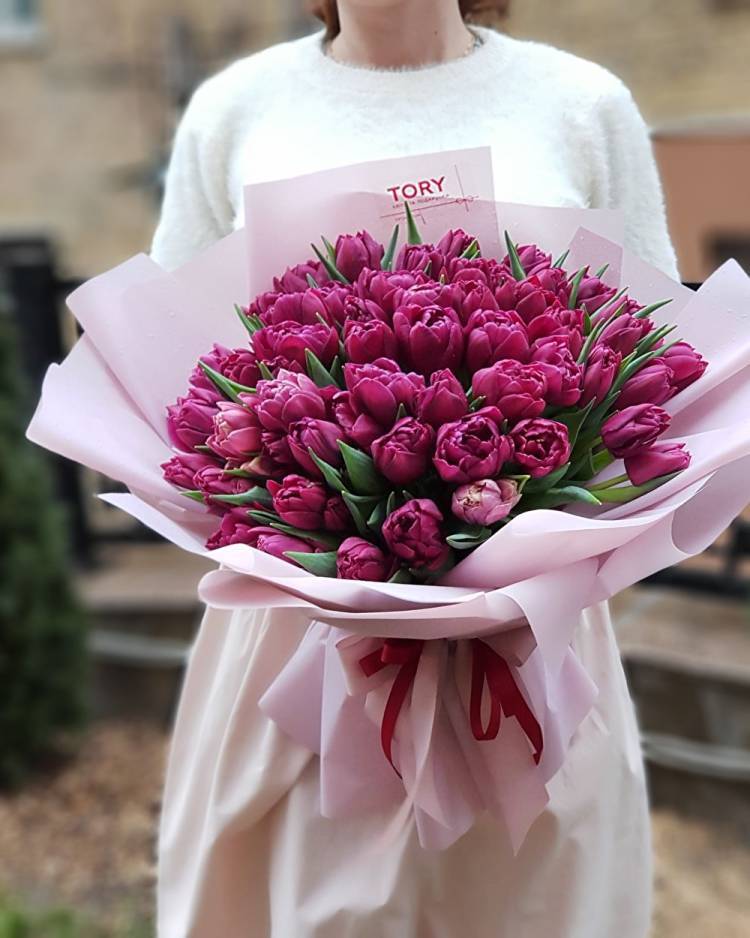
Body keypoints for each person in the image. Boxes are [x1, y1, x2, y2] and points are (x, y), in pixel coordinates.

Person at [150, 2, 680, 936]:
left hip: (529, 638)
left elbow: (655, 359)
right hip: (294, 627)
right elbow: (169, 372)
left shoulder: (580, 104)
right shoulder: (234, 108)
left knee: (536, 905)